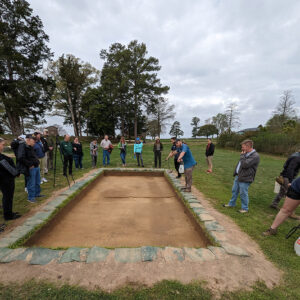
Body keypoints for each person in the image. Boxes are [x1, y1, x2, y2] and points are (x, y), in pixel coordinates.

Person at [223, 139, 260, 213]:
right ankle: (231, 204)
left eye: (243, 147)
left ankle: (245, 208)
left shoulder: (255, 156)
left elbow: (245, 164)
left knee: (243, 193)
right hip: (239, 176)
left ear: (248, 146)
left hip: (246, 178)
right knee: (234, 190)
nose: (242, 149)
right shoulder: (246, 153)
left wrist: (242, 155)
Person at [270, 150, 300, 220]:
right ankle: (291, 212)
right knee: (292, 195)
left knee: (282, 191)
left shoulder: (296, 154)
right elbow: (290, 169)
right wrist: (291, 180)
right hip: (287, 177)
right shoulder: (297, 158)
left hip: (284, 175)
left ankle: (274, 204)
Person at [18, 134, 43, 203]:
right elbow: (20, 157)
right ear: (28, 140)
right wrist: (29, 164)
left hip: (36, 166)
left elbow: (33, 155)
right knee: (31, 183)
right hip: (31, 168)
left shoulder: (31, 146)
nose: (34, 142)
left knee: (37, 181)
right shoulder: (22, 146)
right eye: (33, 141)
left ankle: (37, 194)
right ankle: (31, 197)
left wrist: (37, 161)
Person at [0, 137, 20, 220]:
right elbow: (7, 167)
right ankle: (8, 215)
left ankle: (9, 212)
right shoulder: (1, 158)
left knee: (8, 197)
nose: (3, 146)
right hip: (5, 179)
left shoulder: (2, 156)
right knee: (7, 197)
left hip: (5, 179)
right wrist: (16, 173)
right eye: (2, 144)